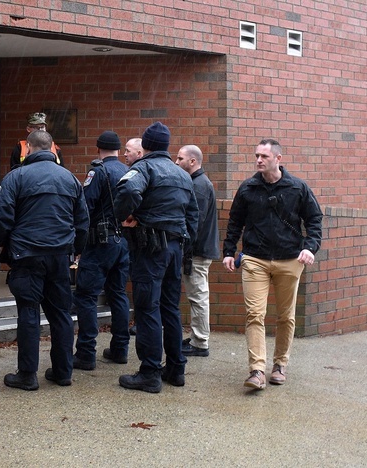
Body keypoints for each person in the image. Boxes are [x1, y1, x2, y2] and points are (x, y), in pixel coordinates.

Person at [0, 130, 89, 390]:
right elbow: (82, 222)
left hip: (27, 255)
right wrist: (76, 250)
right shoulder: (70, 179)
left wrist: (4, 242)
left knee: (29, 313)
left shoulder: (16, 177)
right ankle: (63, 371)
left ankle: (27, 375)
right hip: (59, 256)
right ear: (53, 148)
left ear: (29, 148)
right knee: (61, 314)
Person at [222, 138, 323, 390]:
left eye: (264, 157)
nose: (258, 160)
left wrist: (310, 248)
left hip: (290, 260)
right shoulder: (247, 188)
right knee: (254, 314)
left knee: (285, 316)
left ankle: (279, 365)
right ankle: (257, 370)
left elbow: (314, 220)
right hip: (254, 259)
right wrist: (228, 252)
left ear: (278, 159)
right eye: (256, 155)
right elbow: (235, 222)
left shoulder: (297, 188)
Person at [113, 123, 199, 393]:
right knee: (170, 308)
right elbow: (193, 216)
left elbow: (127, 192)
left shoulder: (143, 168)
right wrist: (184, 246)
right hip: (174, 248)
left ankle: (149, 372)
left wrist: (123, 218)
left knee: (147, 309)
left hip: (150, 249)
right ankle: (175, 369)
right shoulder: (183, 175)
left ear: (147, 146)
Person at [71, 131, 131, 371]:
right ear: (118, 150)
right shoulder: (129, 171)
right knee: (118, 294)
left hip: (99, 244)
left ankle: (86, 353)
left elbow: (85, 210)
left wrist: (78, 246)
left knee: (85, 296)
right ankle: (120, 349)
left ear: (98, 149)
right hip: (123, 242)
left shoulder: (98, 172)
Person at [174, 145, 220, 357]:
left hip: (198, 251)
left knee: (198, 296)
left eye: (180, 158)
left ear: (192, 161)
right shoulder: (199, 183)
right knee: (197, 295)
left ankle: (200, 342)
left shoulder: (199, 186)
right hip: (199, 250)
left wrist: (186, 250)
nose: (176, 162)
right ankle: (197, 337)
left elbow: (195, 223)